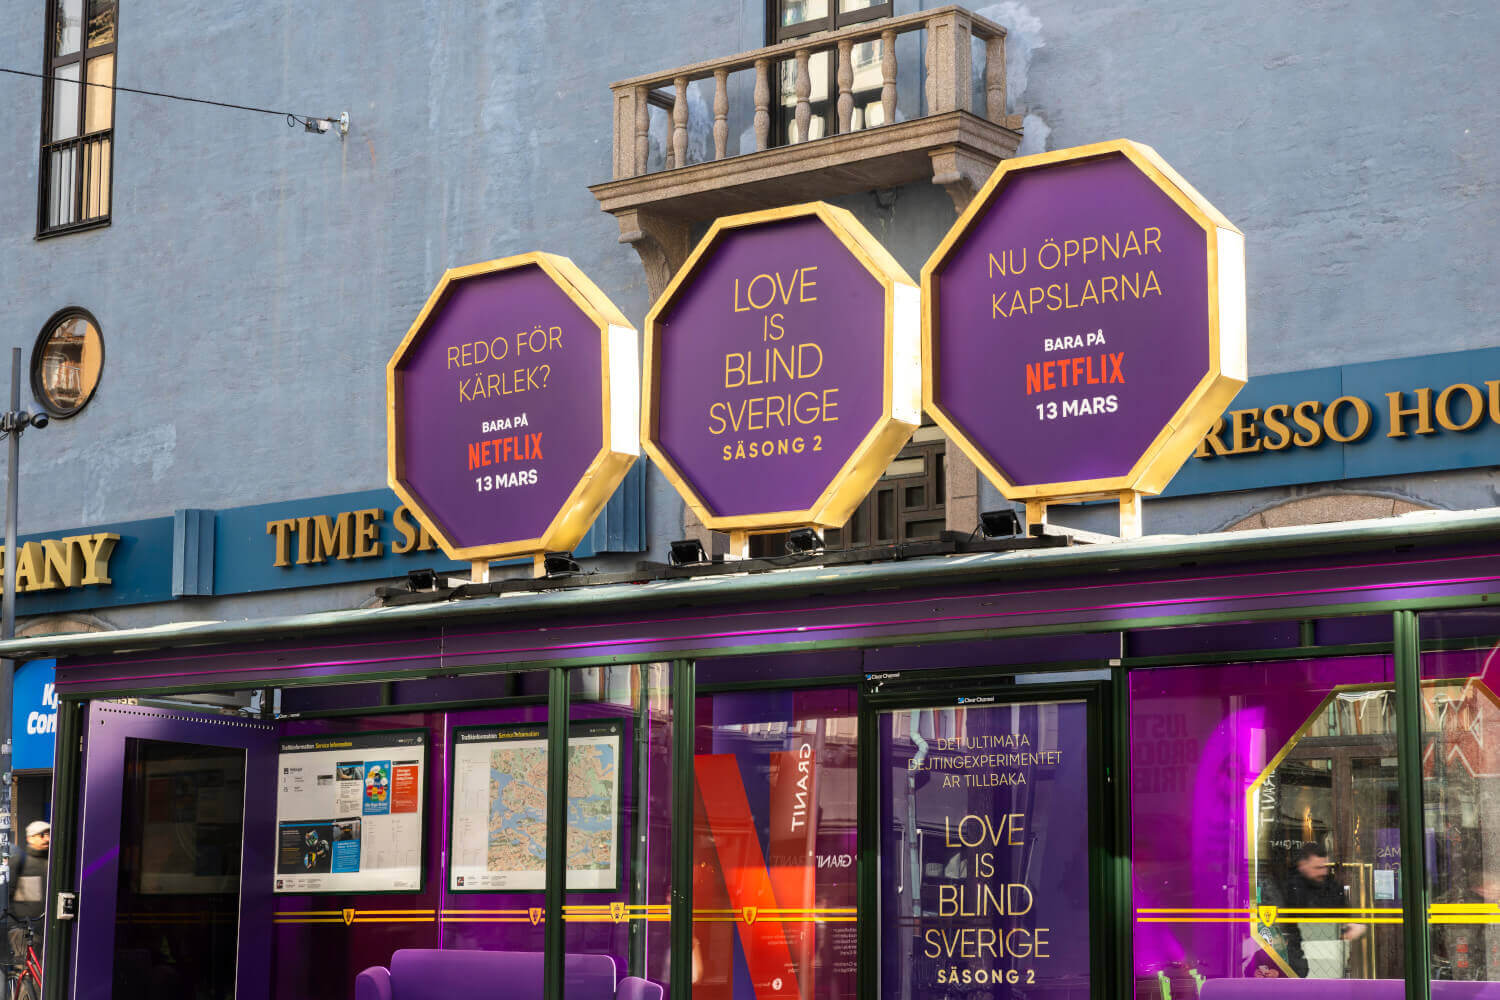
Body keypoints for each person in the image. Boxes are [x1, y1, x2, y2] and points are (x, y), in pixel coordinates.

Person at [1281, 842, 1366, 978]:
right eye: (1318, 868)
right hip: (1299, 958)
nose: (1323, 872)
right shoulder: (1289, 889)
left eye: (1325, 867)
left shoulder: (1332, 887)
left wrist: (1356, 927)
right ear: (1303, 865)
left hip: (1331, 959)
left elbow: (1347, 918)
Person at [8, 821, 49, 969]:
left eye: (49, 834)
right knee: (27, 976)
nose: (47, 839)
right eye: (42, 835)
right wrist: (16, 924)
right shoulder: (21, 861)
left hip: (46, 931)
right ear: (30, 838)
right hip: (24, 932)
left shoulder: (52, 863)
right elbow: (8, 894)